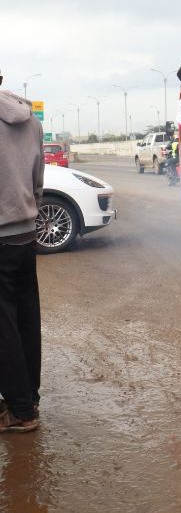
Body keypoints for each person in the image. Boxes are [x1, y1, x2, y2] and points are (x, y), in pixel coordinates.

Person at [0, 69, 44, 433]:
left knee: (4, 326)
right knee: (26, 317)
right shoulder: (30, 119)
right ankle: (29, 396)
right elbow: (38, 180)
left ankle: (20, 411)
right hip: (26, 234)